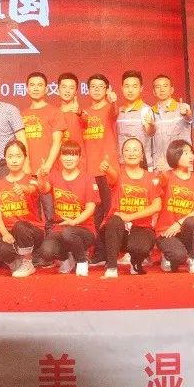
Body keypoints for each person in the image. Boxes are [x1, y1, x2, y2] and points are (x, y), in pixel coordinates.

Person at [99, 137, 162, 279]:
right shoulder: (118, 174)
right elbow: (112, 176)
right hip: (117, 228)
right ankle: (112, 267)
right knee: (114, 221)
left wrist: (130, 217)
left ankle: (136, 262)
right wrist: (107, 168)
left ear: (142, 155)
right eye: (127, 150)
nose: (131, 153)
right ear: (122, 155)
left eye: (135, 150)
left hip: (141, 228)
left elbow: (157, 206)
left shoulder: (150, 178)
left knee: (140, 247)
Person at [37, 140, 98, 277]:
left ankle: (81, 261)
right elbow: (43, 189)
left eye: (73, 155)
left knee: (69, 233)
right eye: (65, 154)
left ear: (79, 157)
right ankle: (66, 258)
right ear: (60, 157)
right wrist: (41, 177)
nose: (68, 158)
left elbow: (91, 208)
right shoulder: (54, 175)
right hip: (61, 228)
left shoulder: (88, 178)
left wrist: (75, 221)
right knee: (46, 251)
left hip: (85, 229)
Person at [0, 140, 44, 277]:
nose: (14, 160)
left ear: (25, 158)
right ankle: (20, 262)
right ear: (5, 158)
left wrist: (23, 189)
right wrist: (4, 233)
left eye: (18, 156)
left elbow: (32, 189)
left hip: (31, 231)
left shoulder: (31, 179)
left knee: (20, 226)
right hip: (10, 232)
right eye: (10, 156)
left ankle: (28, 262)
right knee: (0, 250)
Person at [154, 140, 194, 274]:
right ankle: (167, 255)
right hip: (166, 231)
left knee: (192, 221)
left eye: (191, 153)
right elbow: (155, 189)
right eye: (186, 153)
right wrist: (160, 172)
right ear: (175, 155)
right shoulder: (166, 176)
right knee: (178, 256)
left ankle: (193, 259)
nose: (191, 156)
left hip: (184, 229)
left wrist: (179, 223)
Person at [82, 74, 118, 263]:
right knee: (94, 215)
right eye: (93, 86)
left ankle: (111, 252)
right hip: (89, 171)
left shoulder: (110, 108)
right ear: (88, 90)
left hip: (106, 170)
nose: (96, 89)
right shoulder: (85, 113)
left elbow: (115, 111)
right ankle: (99, 252)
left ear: (107, 89)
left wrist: (113, 101)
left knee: (108, 213)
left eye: (100, 86)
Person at [23, 71, 64, 236]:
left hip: (49, 172)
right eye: (32, 85)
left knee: (50, 215)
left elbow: (57, 141)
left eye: (40, 85)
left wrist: (47, 166)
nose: (35, 88)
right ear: (26, 89)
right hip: (28, 172)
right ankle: (38, 248)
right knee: (33, 217)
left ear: (46, 89)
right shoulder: (22, 114)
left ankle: (53, 247)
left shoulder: (54, 112)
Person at [150, 75, 192, 173]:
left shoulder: (182, 107)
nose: (162, 89)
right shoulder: (150, 112)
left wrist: (186, 113)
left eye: (165, 86)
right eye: (158, 87)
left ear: (172, 90)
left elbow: (189, 118)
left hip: (180, 164)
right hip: (160, 164)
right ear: (154, 92)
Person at [116, 70, 156, 170]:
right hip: (123, 164)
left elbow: (150, 132)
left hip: (143, 164)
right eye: (127, 86)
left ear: (141, 88)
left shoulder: (146, 110)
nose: (130, 90)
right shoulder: (118, 112)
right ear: (122, 88)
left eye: (134, 86)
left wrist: (151, 125)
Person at [56, 73, 86, 153]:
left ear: (76, 92)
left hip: (78, 158)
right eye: (64, 87)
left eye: (71, 88)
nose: (67, 91)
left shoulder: (79, 113)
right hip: (59, 158)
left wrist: (79, 113)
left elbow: (86, 120)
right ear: (58, 90)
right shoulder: (54, 114)